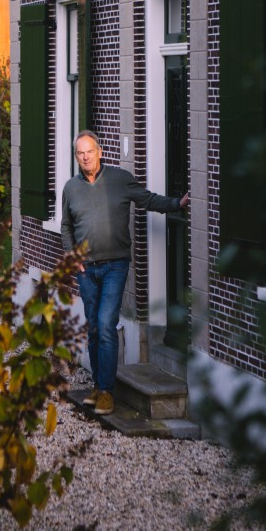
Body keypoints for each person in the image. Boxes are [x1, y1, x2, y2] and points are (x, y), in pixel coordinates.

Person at [61, 130, 189, 416]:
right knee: (94, 328)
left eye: (90, 151)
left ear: (100, 151)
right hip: (85, 270)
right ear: (77, 157)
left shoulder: (120, 179)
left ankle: (107, 391)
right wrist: (71, 255)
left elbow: (147, 199)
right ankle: (98, 386)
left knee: (106, 323)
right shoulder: (70, 188)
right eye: (81, 153)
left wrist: (176, 204)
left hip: (114, 266)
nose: (86, 157)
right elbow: (66, 226)